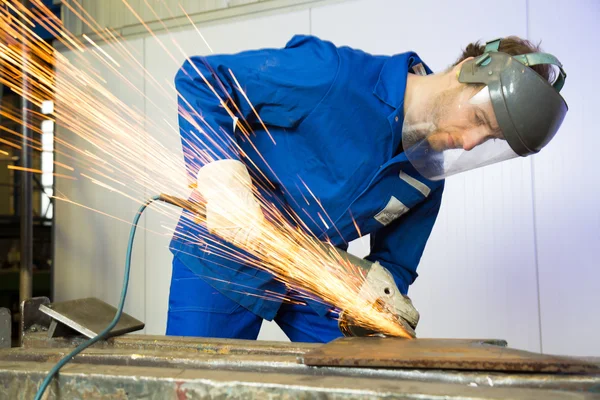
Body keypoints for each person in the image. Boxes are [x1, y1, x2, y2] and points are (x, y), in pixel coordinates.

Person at [166, 35, 567, 342]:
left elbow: (394, 268)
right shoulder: (334, 75)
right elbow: (201, 78)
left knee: (372, 376)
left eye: (487, 138)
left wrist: (380, 299)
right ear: (466, 69)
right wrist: (221, 181)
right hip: (225, 251)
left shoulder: (426, 174)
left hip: (313, 275)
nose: (469, 143)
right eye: (478, 118)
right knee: (196, 381)